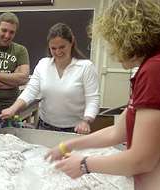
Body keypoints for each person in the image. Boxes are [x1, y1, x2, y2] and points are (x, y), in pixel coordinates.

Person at [44, 0, 160, 189]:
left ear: (128, 37)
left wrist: (84, 164)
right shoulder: (148, 68)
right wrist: (67, 145)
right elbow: (117, 131)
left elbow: (143, 158)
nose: (112, 51)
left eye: (112, 41)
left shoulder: (154, 70)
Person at [0, 23, 100, 134]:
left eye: (62, 47)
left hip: (75, 128)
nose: (58, 52)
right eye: (53, 48)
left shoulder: (85, 67)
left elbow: (93, 100)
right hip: (45, 126)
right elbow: (30, 91)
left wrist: (87, 122)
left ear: (72, 42)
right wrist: (13, 108)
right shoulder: (43, 64)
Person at [0, 12, 30, 128]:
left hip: (11, 109)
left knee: (11, 144)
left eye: (12, 32)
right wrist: (13, 80)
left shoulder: (20, 50)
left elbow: (23, 78)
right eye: (4, 30)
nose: (7, 35)